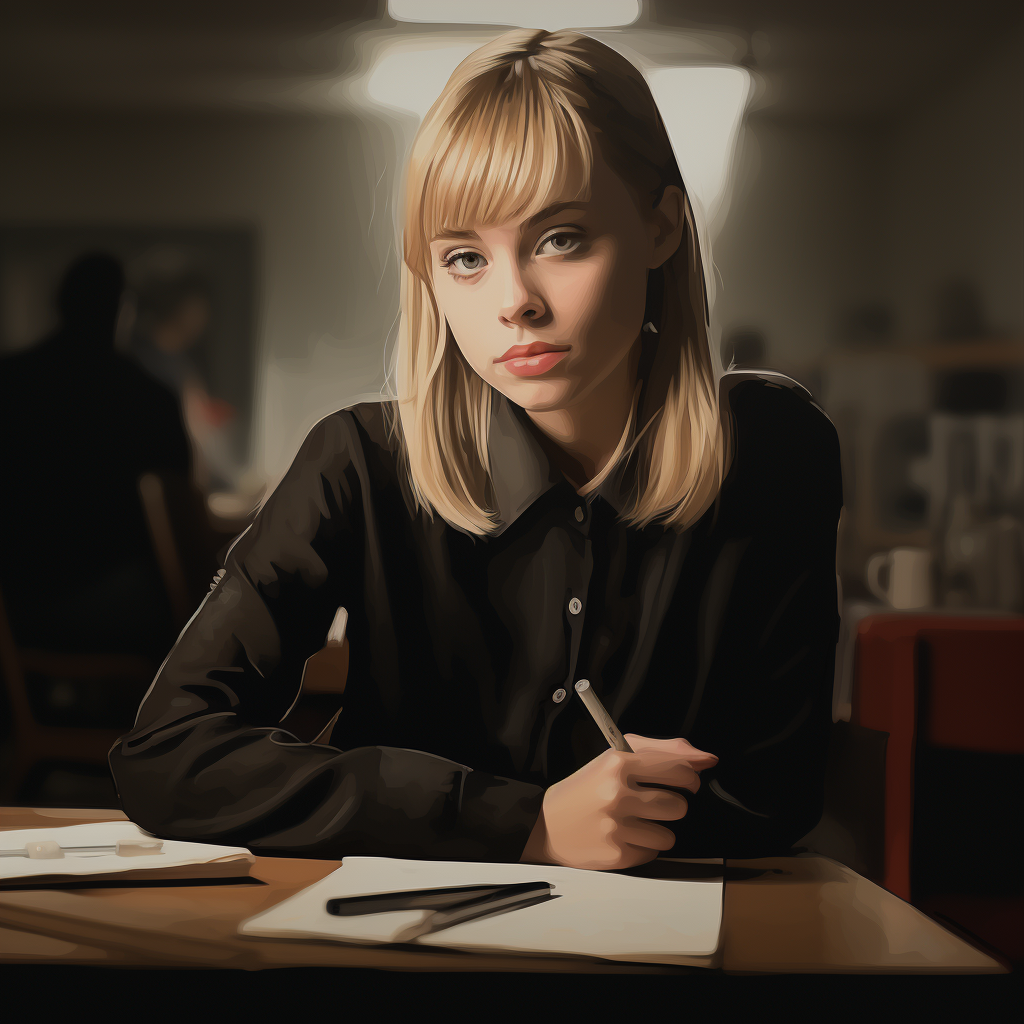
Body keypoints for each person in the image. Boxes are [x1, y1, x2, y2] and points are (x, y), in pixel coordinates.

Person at [109, 30, 843, 870]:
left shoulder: (776, 451)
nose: (514, 302)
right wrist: (520, 822)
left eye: (561, 238)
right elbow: (166, 754)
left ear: (662, 229)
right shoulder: (359, 459)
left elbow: (774, 796)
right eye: (465, 258)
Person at [0, 252, 191, 659]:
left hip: (17, 600)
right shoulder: (149, 398)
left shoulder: (11, 383)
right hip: (116, 605)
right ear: (123, 310)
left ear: (60, 303)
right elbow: (183, 514)